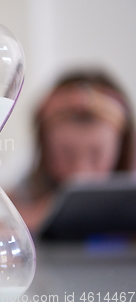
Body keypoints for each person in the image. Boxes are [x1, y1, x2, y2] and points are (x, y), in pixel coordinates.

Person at [12, 69, 135, 233]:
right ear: (44, 149)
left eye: (96, 156)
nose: (80, 173)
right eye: (66, 154)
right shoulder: (21, 197)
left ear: (121, 149)